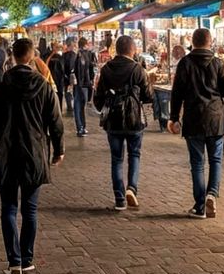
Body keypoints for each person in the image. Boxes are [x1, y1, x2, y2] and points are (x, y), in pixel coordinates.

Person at [0, 37, 65, 274]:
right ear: (32, 56)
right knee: (30, 209)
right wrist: (59, 149)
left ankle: (14, 261)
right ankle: (27, 258)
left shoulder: (1, 84)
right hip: (35, 152)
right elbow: (55, 122)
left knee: (8, 208)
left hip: (7, 152)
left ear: (13, 56)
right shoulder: (43, 85)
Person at [169, 27, 224, 218]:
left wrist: (173, 118)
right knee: (216, 160)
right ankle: (212, 194)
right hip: (215, 119)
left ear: (193, 42)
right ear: (210, 41)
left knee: (197, 163)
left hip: (193, 118)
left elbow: (177, 93)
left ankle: (199, 206)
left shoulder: (185, 63)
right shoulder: (218, 64)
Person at [94, 34, 153, 210]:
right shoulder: (138, 69)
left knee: (116, 159)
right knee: (134, 155)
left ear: (116, 50)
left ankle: (119, 198)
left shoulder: (106, 69)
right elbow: (148, 96)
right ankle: (131, 189)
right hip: (134, 120)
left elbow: (98, 98)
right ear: (132, 50)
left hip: (113, 120)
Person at [50, 40, 80, 135]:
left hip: (62, 78)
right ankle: (69, 106)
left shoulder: (62, 56)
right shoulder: (72, 55)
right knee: (68, 92)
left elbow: (61, 67)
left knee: (65, 92)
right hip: (67, 78)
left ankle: (68, 106)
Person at [74, 37, 99, 132]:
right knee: (80, 106)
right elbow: (85, 70)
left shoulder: (82, 54)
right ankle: (81, 127)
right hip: (83, 84)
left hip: (82, 84)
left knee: (80, 106)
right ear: (85, 44)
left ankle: (81, 127)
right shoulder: (83, 55)